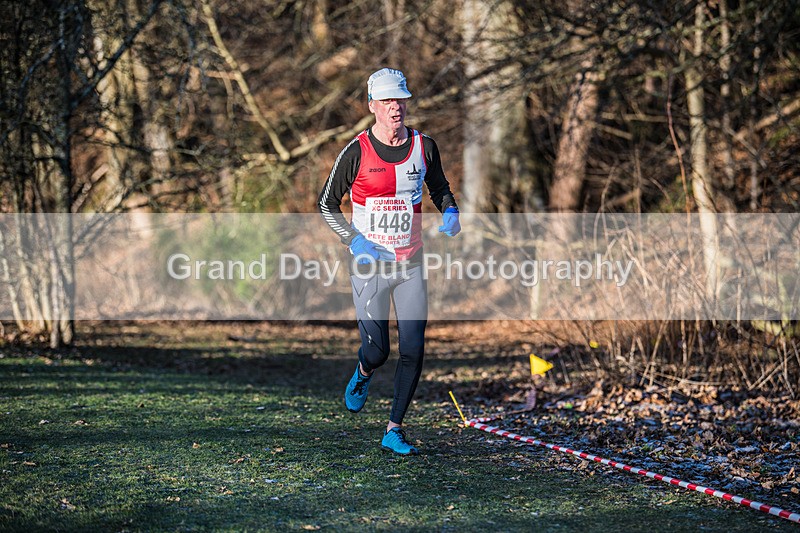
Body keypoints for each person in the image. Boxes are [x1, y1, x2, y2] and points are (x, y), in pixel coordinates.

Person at [318, 68, 461, 455]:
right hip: (369, 266)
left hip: (410, 264)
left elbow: (440, 187)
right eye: (387, 102)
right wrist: (355, 239)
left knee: (413, 348)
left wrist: (450, 210)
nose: (396, 107)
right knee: (378, 351)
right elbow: (326, 204)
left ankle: (393, 428)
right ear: (372, 107)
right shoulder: (356, 152)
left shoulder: (424, 147)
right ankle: (363, 371)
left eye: (400, 100)